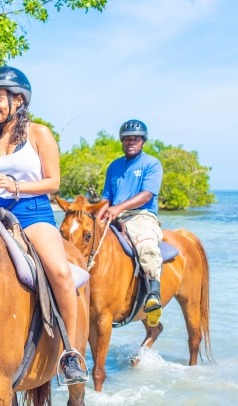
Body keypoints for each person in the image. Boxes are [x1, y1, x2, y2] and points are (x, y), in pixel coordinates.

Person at [0, 66, 88, 384]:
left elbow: (53, 182)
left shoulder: (39, 134)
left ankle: (71, 353)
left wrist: (17, 188)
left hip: (33, 215)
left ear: (19, 100)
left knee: (62, 273)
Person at [97, 120, 165, 328]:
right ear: (122, 141)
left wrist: (119, 208)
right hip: (113, 215)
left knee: (145, 245)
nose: (131, 142)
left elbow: (146, 195)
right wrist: (96, 217)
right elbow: (106, 197)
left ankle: (153, 293)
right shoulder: (114, 166)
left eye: (135, 138)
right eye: (127, 138)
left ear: (142, 141)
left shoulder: (151, 164)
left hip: (141, 216)